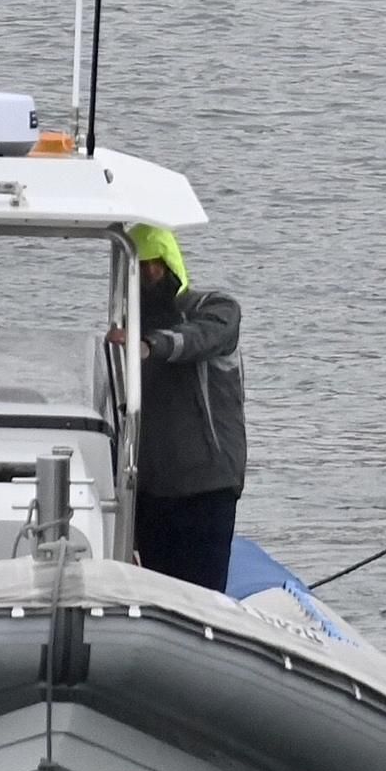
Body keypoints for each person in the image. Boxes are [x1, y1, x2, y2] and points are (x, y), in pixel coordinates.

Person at [131, 225, 245, 592]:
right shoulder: (129, 328)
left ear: (173, 264)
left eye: (158, 265)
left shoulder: (216, 309)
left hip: (208, 485)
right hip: (150, 491)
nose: (151, 275)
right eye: (142, 265)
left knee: (203, 594)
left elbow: (198, 339)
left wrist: (153, 346)